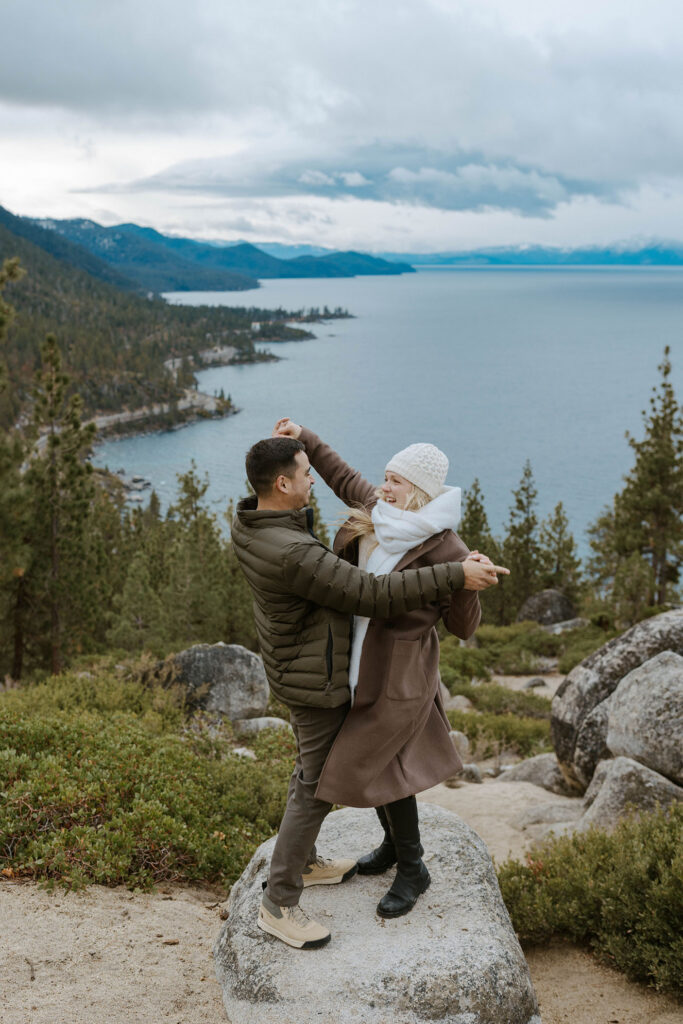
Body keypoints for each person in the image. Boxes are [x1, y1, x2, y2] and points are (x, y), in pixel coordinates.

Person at [231, 434, 507, 950]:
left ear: (420, 492)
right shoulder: (376, 513)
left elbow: (463, 626)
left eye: (396, 480)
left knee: (385, 760)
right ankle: (389, 853)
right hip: (349, 664)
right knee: (368, 764)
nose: (383, 486)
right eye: (385, 477)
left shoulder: (443, 543)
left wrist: (466, 579)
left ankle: (412, 866)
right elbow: (370, 583)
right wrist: (309, 441)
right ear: (284, 482)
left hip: (398, 676)